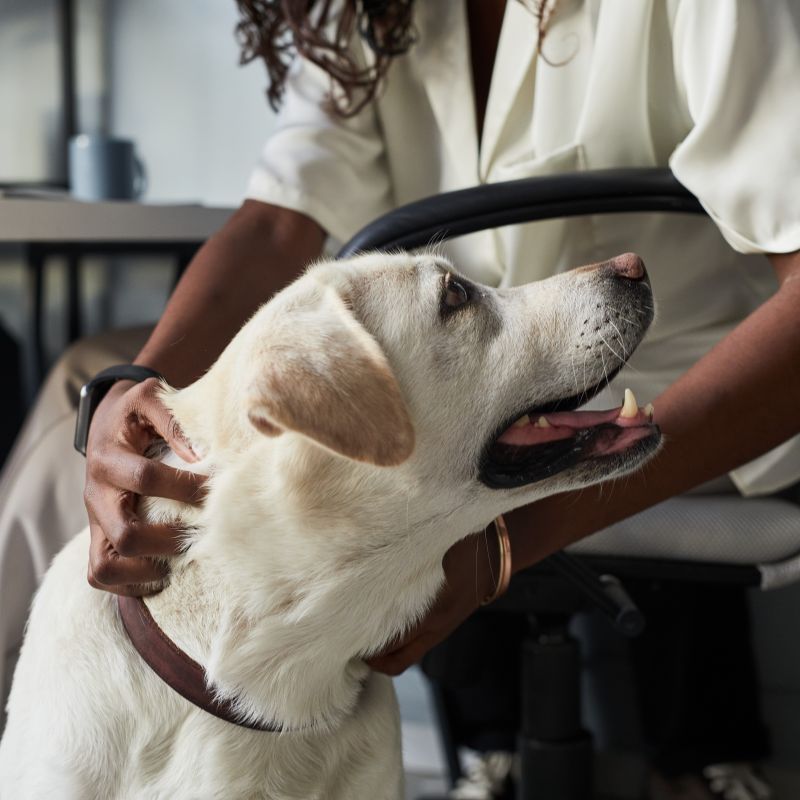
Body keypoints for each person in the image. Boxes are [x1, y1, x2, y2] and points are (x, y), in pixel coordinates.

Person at [1, 2, 799, 798]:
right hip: (448, 379)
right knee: (83, 376)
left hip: (673, 390)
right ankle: (56, 727)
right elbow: (282, 221)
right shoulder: (366, 12)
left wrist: (509, 542)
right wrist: (122, 403)